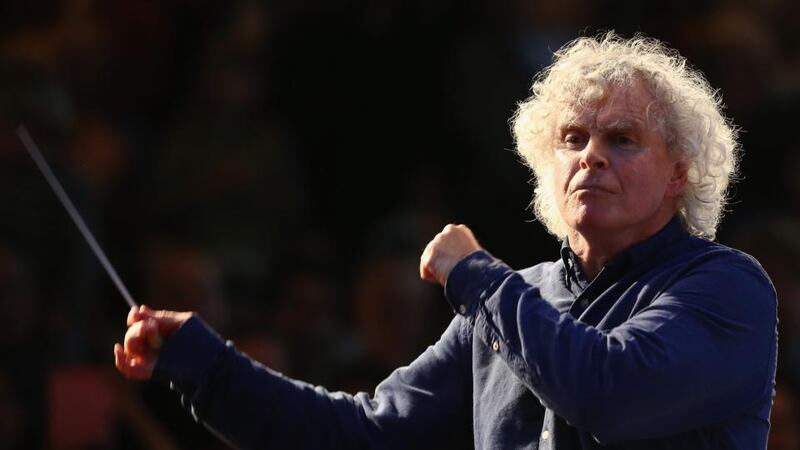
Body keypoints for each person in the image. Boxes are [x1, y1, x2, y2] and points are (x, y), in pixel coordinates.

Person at [114, 32, 777, 449]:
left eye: (622, 139)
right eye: (572, 139)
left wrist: (478, 277)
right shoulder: (518, 301)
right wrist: (203, 362)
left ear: (680, 174)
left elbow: (610, 394)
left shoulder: (724, 287)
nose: (591, 157)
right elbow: (363, 435)